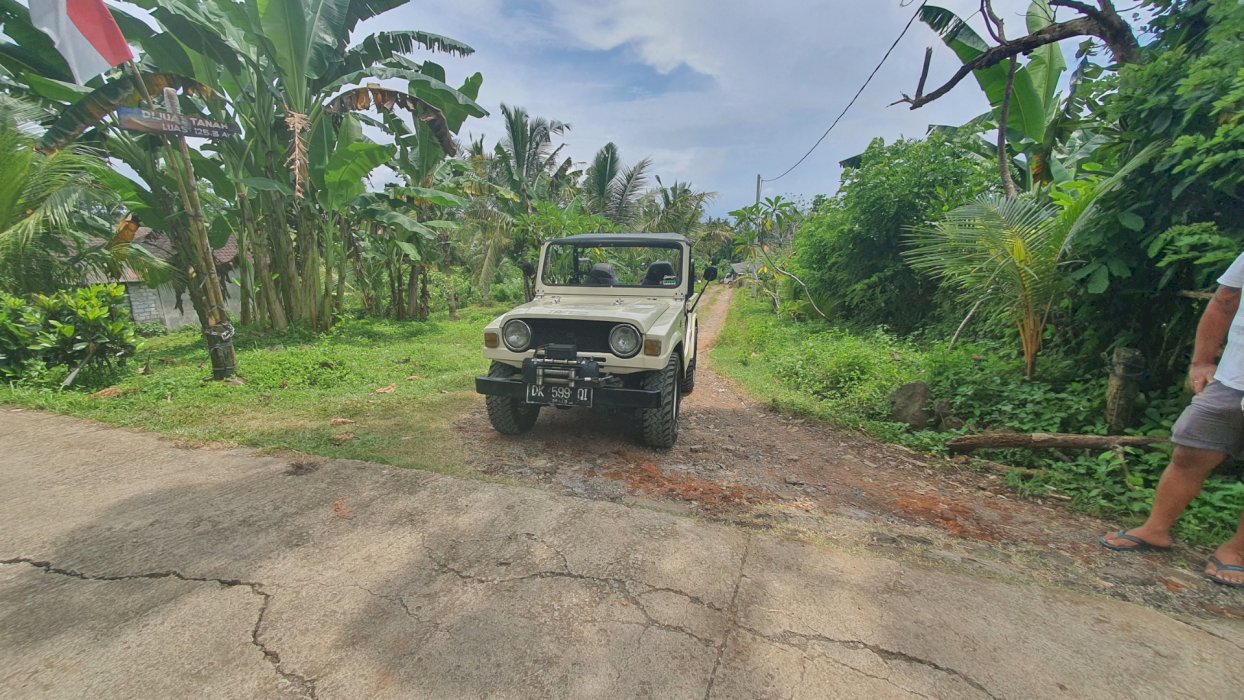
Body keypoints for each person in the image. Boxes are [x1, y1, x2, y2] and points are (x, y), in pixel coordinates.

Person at [1101, 253, 1244, 587]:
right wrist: (1201, 362)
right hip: (1231, 380)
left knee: (1190, 454)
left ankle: (1236, 551)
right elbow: (1224, 300)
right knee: (1189, 453)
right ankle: (1155, 529)